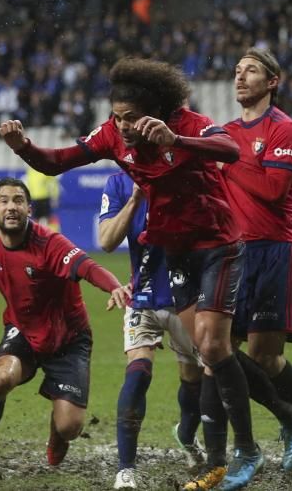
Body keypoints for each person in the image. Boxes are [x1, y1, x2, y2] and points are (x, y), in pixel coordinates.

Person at [0, 57, 288, 491]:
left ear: (158, 110)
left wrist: (178, 140)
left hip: (219, 246)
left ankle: (246, 449)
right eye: (117, 117)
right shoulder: (113, 133)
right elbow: (57, 161)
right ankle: (276, 426)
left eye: (131, 117)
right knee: (211, 352)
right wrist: (23, 146)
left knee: (212, 344)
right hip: (176, 255)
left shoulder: (190, 123)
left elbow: (231, 149)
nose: (124, 126)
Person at [0, 178, 131, 479]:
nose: (11, 206)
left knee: (70, 427)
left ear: (29, 209)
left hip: (69, 339)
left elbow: (88, 266)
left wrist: (113, 287)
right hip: (23, 332)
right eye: (4, 201)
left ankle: (57, 432)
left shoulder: (50, 243)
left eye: (18, 200)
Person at [217, 48, 292, 485]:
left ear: (272, 80)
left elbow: (271, 186)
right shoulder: (223, 133)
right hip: (230, 253)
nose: (241, 77)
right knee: (216, 351)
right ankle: (288, 422)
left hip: (272, 251)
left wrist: (226, 159)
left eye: (251, 71)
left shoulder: (284, 129)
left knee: (265, 357)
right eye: (237, 70)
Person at [98, 170, 205, 490]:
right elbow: (105, 241)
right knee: (138, 372)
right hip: (142, 295)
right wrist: (134, 199)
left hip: (186, 298)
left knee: (195, 380)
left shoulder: (186, 175)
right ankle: (125, 470)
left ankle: (186, 434)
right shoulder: (118, 183)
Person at [25, 165, 60, 230]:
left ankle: (44, 235)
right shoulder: (30, 171)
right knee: (36, 219)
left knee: (44, 219)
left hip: (44, 198)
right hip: (34, 198)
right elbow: (29, 184)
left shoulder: (46, 170)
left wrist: (55, 197)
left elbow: (53, 184)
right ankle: (38, 236)